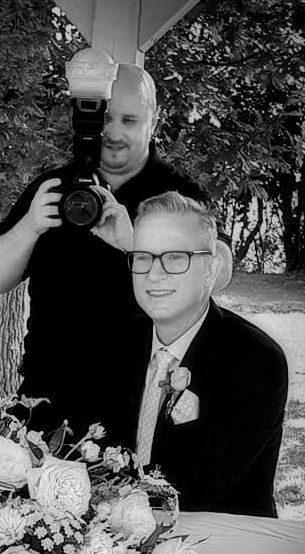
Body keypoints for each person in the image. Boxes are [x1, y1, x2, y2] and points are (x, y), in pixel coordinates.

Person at [0, 60, 232, 439]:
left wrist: (138, 244)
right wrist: (29, 227)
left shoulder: (179, 193)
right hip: (47, 404)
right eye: (106, 119)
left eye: (129, 121)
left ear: (154, 121)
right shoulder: (55, 186)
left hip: (139, 406)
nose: (113, 133)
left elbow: (221, 270)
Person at [104, 191, 287, 517]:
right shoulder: (113, 342)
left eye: (175, 257)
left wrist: (101, 505)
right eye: (143, 256)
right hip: (111, 542)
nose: (153, 274)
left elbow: (194, 488)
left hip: (221, 546)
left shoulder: (256, 361)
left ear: (211, 268)